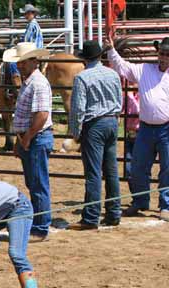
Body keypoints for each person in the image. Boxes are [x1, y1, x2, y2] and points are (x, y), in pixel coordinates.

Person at [105, 35, 169, 221]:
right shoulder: (144, 69)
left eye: (167, 54)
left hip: (165, 127)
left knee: (167, 168)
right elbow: (123, 67)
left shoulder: (146, 70)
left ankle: (165, 204)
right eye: (162, 53)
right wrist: (111, 50)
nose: (163, 56)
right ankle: (141, 201)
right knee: (138, 167)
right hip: (146, 127)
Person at [67, 40, 123, 229]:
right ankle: (114, 212)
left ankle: (91, 217)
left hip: (95, 125)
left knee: (93, 173)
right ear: (99, 56)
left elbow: (78, 109)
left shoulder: (82, 78)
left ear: (84, 58)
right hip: (111, 121)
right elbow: (119, 99)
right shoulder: (113, 74)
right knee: (111, 170)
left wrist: (75, 132)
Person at [3, 42, 53, 241]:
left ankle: (41, 228)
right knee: (35, 182)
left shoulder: (37, 83)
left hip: (36, 137)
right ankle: (39, 224)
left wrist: (27, 137)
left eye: (23, 62)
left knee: (38, 183)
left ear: (34, 61)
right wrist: (22, 139)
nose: (20, 66)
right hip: (32, 137)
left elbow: (41, 115)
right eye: (19, 62)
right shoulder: (30, 81)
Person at [8, 4, 44, 85]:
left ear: (32, 14)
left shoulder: (31, 25)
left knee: (12, 63)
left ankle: (18, 85)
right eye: (25, 14)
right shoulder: (34, 24)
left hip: (32, 51)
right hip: (36, 49)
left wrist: (18, 44)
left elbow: (27, 42)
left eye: (27, 13)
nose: (25, 15)